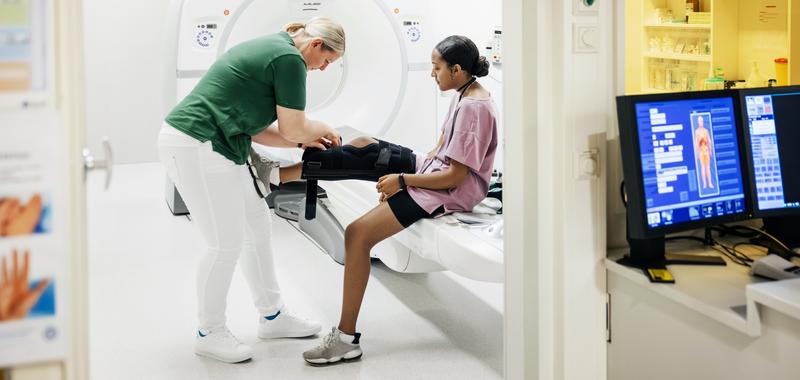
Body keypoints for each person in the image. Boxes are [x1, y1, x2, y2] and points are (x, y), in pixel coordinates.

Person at [278, 35, 498, 365]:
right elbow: (441, 148)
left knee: (357, 233)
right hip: (433, 170)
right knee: (366, 145)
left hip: (451, 191)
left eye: (437, 68)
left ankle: (346, 338)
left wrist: (403, 182)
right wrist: (410, 167)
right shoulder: (464, 92)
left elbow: (456, 178)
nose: (432, 74)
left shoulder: (474, 111)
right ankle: (282, 173)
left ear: (457, 69)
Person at [157, 16, 345, 363]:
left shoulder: (276, 49)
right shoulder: (289, 59)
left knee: (257, 225)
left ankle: (272, 315)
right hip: (196, 142)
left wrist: (307, 137)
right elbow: (292, 127)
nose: (322, 69)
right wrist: (323, 129)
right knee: (223, 243)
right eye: (327, 62)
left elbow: (259, 130)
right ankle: (208, 331)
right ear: (317, 45)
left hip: (220, 144)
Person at [694, 115, 714, 189]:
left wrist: (710, 150)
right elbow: (696, 143)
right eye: (699, 121)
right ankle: (704, 184)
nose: (701, 122)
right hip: (701, 151)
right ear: (698, 122)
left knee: (708, 167)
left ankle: (710, 183)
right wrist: (697, 153)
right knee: (702, 167)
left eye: (702, 121)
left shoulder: (706, 131)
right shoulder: (697, 132)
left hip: (706, 150)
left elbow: (709, 140)